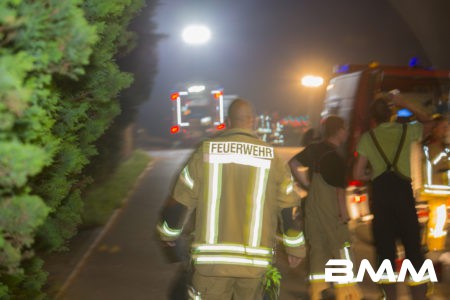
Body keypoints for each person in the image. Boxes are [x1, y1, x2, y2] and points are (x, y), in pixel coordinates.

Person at [157, 99, 305, 300]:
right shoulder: (272, 158)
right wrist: (295, 247)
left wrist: (168, 235)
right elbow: (289, 209)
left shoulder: (205, 153)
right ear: (251, 120)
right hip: (255, 265)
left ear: (227, 121)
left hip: (212, 265)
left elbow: (180, 202)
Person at [353, 92, 433, 299]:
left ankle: (390, 296)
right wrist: (404, 102)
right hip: (403, 195)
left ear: (373, 118)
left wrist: (373, 174)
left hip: (381, 198)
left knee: (385, 252)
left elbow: (358, 173)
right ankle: (419, 296)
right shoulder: (405, 130)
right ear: (391, 114)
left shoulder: (367, 138)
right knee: (413, 249)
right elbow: (428, 121)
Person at [289, 115, 362, 300]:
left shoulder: (314, 149)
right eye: (344, 129)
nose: (346, 133)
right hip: (331, 209)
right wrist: (345, 215)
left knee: (318, 250)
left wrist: (306, 184)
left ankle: (317, 293)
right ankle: (348, 294)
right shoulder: (336, 157)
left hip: (313, 208)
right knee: (342, 247)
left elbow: (293, 163)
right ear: (338, 132)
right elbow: (338, 190)